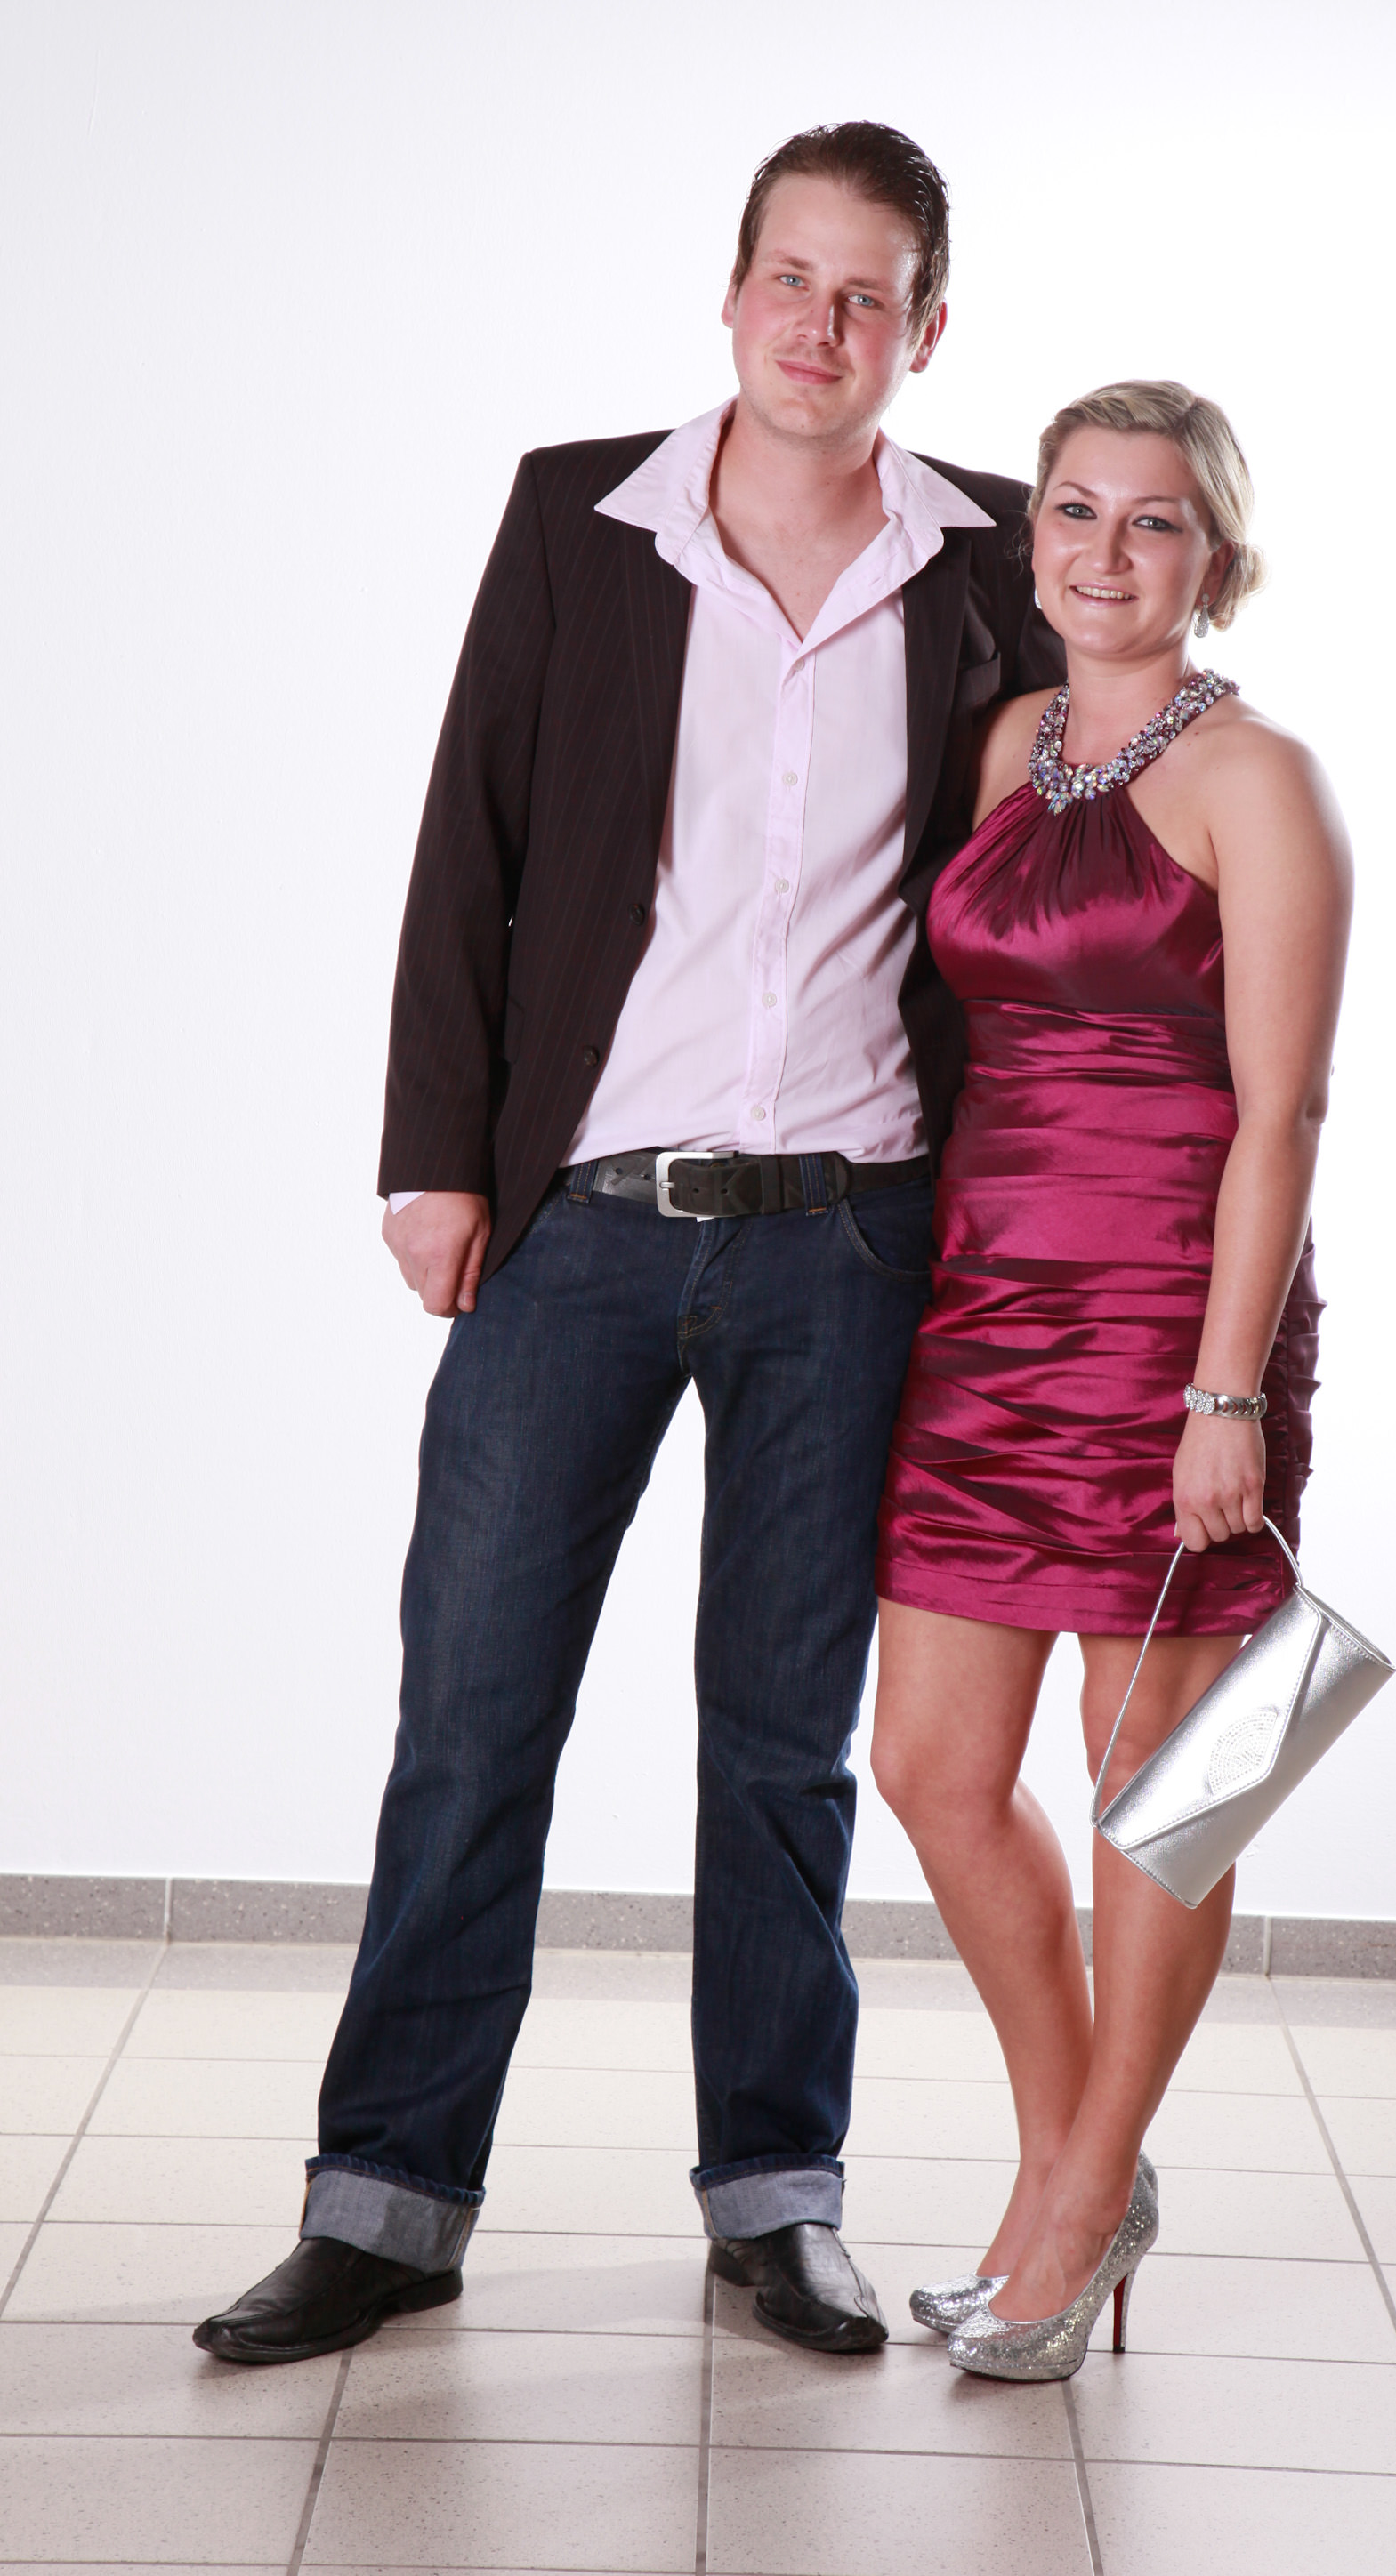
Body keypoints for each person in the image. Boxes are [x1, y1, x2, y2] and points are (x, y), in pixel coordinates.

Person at [192, 122, 1061, 2368]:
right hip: (577, 1222)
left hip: (853, 1241)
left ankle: (776, 2198)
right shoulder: (581, 517)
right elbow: (467, 838)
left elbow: (1086, 819)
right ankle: (387, 2204)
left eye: (866, 295)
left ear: (926, 330)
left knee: (780, 1747)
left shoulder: (992, 559)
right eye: (789, 278)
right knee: (472, 1717)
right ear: (731, 290)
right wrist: (433, 1159)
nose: (818, 325)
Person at [869, 381, 1352, 2380]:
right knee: (929, 1766)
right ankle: (1081, 2163)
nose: (1104, 550)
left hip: (1172, 1326)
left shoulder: (1261, 779)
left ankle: (1067, 2215)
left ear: (1213, 559)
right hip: (985, 1312)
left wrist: (1227, 1393)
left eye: (1154, 522)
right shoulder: (1007, 745)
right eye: (1075, 510)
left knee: (1163, 1787)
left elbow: (1284, 1113)